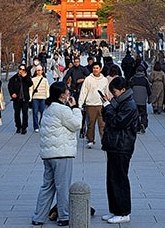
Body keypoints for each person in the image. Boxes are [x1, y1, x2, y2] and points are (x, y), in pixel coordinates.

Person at [31, 82, 83, 227]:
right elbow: (76, 125)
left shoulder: (49, 109)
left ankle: (38, 217)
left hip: (48, 154)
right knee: (62, 186)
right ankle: (64, 216)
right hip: (62, 153)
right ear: (62, 95)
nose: (69, 94)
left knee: (47, 186)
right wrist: (75, 108)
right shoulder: (62, 110)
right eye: (67, 92)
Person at [100, 76, 139, 224]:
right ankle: (115, 210)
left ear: (123, 90)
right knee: (112, 179)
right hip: (114, 145)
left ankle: (123, 212)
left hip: (122, 145)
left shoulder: (129, 104)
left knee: (119, 179)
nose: (113, 94)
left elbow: (117, 122)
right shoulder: (120, 102)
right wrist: (107, 106)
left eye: (114, 92)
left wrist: (108, 107)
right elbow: (108, 118)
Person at [78, 61, 110, 148]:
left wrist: (109, 103)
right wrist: (80, 104)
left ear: (100, 69)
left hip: (101, 105)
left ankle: (104, 140)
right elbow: (83, 92)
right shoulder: (88, 79)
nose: (95, 70)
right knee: (91, 123)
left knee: (102, 124)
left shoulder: (104, 80)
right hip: (90, 104)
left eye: (97, 68)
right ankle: (90, 139)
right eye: (94, 68)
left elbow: (107, 92)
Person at [9, 64, 34, 134]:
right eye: (20, 69)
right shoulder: (14, 78)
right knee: (17, 113)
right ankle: (18, 126)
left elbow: (30, 84)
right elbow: (10, 86)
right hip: (17, 99)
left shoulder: (27, 77)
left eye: (23, 69)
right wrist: (12, 93)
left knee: (25, 113)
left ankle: (24, 127)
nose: (21, 71)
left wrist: (25, 77)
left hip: (25, 98)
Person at [128, 66, 151, 133]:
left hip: (134, 100)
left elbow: (129, 89)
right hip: (143, 100)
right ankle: (143, 124)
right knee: (143, 113)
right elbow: (149, 90)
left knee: (135, 114)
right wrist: (149, 98)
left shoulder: (132, 79)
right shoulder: (145, 79)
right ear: (143, 71)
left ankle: (137, 127)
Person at [30, 66, 50, 133]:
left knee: (43, 112)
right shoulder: (33, 79)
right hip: (35, 98)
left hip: (43, 97)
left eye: (40, 70)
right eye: (37, 70)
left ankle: (41, 123)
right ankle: (36, 126)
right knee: (35, 113)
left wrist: (47, 97)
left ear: (42, 71)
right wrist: (30, 98)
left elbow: (47, 89)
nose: (39, 71)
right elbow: (31, 89)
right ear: (36, 71)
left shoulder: (45, 80)